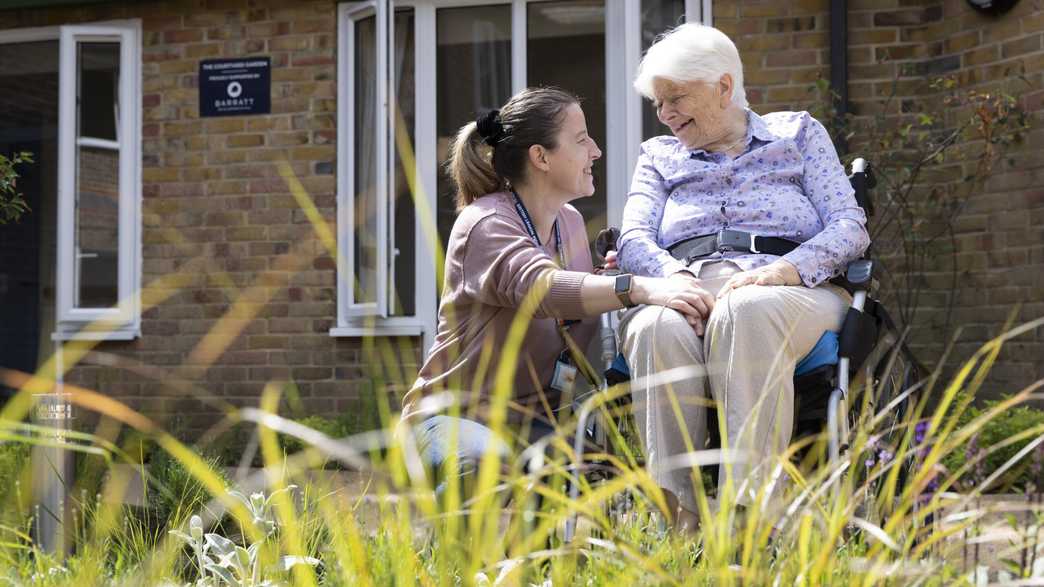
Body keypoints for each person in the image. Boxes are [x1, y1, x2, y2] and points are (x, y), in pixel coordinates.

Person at [399, 87, 713, 497]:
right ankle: (455, 557)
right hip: (454, 419)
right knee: (486, 467)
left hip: (538, 425)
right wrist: (636, 287)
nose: (596, 151)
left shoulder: (567, 222)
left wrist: (612, 277)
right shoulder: (484, 223)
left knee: (587, 493)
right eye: (582, 140)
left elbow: (573, 303)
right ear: (541, 157)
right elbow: (541, 289)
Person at [616, 24, 871, 529]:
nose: (665, 114)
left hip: (792, 294)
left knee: (746, 309)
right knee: (652, 327)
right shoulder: (659, 156)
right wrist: (670, 282)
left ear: (724, 87)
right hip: (686, 292)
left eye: (675, 99)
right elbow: (632, 239)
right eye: (658, 103)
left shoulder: (797, 134)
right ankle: (676, 522)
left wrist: (786, 269)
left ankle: (751, 521)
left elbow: (850, 225)